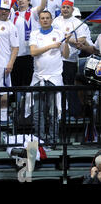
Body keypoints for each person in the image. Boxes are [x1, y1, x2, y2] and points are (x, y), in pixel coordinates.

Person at [29, 10, 70, 143]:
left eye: (47, 18)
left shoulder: (59, 33)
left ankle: (53, 140)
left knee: (53, 111)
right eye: (42, 18)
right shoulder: (35, 34)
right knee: (37, 112)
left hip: (54, 77)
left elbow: (66, 55)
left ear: (52, 19)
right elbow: (33, 52)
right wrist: (51, 46)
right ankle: (39, 139)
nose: (45, 20)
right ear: (39, 20)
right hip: (38, 78)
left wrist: (67, 42)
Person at [52, 0, 89, 117]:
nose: (65, 9)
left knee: (69, 86)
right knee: (57, 86)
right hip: (56, 58)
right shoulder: (56, 21)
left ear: (72, 9)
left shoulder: (77, 23)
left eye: (68, 7)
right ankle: (60, 111)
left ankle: (73, 112)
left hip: (70, 60)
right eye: (63, 7)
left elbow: (83, 39)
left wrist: (69, 40)